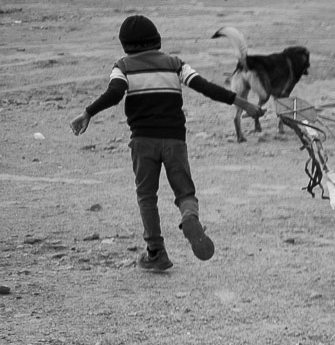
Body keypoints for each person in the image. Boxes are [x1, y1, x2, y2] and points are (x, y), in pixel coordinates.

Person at [70, 15, 265, 273]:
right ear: (157, 39)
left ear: (125, 44)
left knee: (147, 196)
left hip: (143, 142)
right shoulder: (174, 63)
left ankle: (156, 251)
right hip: (174, 140)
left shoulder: (123, 66)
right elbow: (206, 87)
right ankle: (189, 217)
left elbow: (115, 93)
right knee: (184, 192)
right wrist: (245, 104)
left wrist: (88, 113)